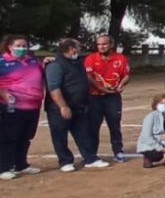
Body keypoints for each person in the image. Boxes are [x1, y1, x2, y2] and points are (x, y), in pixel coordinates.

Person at [45, 38, 108, 172]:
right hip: (59, 108)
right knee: (60, 135)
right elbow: (54, 88)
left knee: (83, 133)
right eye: (79, 46)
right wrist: (63, 106)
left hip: (79, 106)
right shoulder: (55, 65)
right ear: (72, 49)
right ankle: (65, 161)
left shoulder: (78, 62)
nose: (80, 49)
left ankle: (90, 158)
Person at [0, 34, 45, 180]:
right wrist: (3, 93)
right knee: (9, 137)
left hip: (33, 106)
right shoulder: (2, 61)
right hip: (12, 106)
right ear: (10, 46)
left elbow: (41, 73)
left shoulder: (32, 60)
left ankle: (21, 164)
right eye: (18, 45)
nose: (22, 48)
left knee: (26, 137)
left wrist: (47, 61)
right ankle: (4, 167)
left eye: (24, 45)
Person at [84, 34, 130, 162]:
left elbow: (126, 75)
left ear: (111, 45)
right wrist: (101, 88)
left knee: (115, 125)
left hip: (113, 97)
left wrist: (121, 85)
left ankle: (118, 151)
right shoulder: (90, 58)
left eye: (104, 44)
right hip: (94, 98)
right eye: (99, 44)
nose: (101, 47)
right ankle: (92, 153)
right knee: (93, 126)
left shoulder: (121, 58)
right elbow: (88, 76)